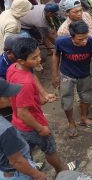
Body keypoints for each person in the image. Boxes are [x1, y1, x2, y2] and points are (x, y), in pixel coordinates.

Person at [6, 37, 70, 174]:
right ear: (21, 61)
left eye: (38, 55)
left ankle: (32, 167)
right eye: (34, 58)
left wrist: (43, 94)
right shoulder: (26, 83)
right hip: (32, 124)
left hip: (17, 123)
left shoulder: (13, 68)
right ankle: (62, 172)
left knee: (26, 150)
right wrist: (41, 128)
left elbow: (31, 76)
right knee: (50, 149)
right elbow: (23, 112)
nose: (39, 59)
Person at [52, 21, 92, 137]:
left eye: (85, 38)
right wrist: (55, 75)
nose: (84, 41)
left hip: (84, 75)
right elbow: (56, 55)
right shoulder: (61, 42)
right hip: (66, 76)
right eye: (80, 39)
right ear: (71, 37)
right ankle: (71, 122)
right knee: (67, 101)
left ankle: (84, 118)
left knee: (87, 98)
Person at [0, 77, 47, 180]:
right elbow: (17, 162)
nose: (11, 97)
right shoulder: (5, 130)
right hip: (16, 174)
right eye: (7, 95)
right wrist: (38, 175)